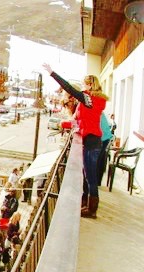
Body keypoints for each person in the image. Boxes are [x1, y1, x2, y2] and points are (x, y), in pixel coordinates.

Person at [43, 64, 107, 218]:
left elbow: (69, 88)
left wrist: (52, 73)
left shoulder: (88, 99)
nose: (83, 87)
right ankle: (87, 204)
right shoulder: (94, 101)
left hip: (92, 142)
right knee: (88, 175)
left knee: (90, 177)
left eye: (85, 83)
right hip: (93, 140)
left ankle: (91, 210)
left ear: (90, 85)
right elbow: (83, 119)